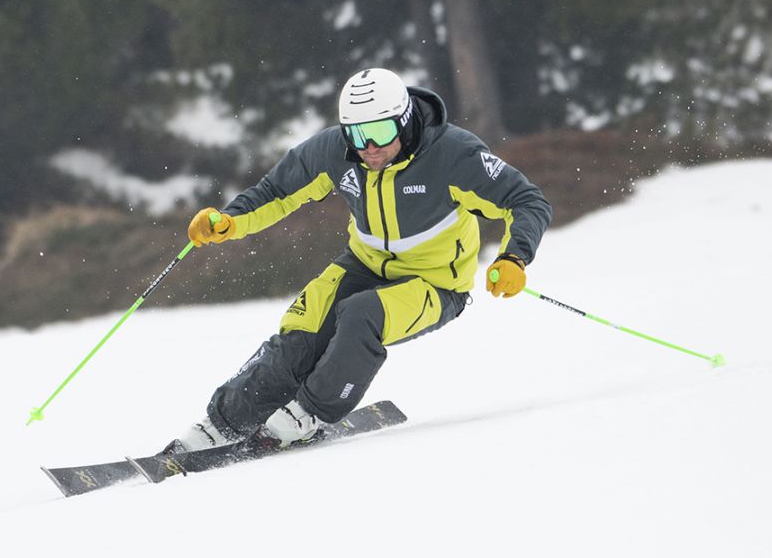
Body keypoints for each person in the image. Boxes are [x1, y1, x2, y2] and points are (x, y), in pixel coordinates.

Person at [170, 67, 552, 452]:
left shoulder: (453, 155)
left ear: (404, 121)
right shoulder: (336, 151)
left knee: (361, 314)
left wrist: (514, 257)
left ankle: (310, 413)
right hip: (363, 265)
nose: (369, 147)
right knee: (300, 335)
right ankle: (222, 423)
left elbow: (526, 200)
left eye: (381, 132)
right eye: (356, 134)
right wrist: (230, 220)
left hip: (435, 284)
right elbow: (277, 190)